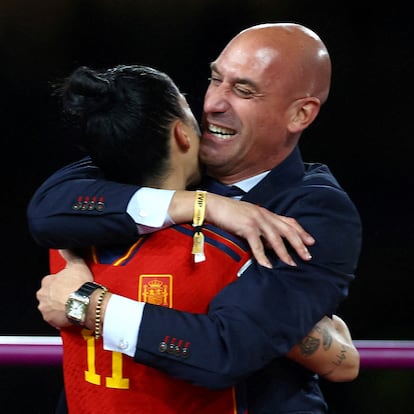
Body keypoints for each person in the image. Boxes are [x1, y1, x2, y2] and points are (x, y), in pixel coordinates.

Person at [30, 22, 362, 412]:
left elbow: (225, 350)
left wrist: (88, 305)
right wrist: (201, 204)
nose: (213, 104)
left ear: (300, 114)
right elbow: (48, 208)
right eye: (215, 79)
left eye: (243, 90)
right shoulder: (173, 154)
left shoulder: (317, 211)